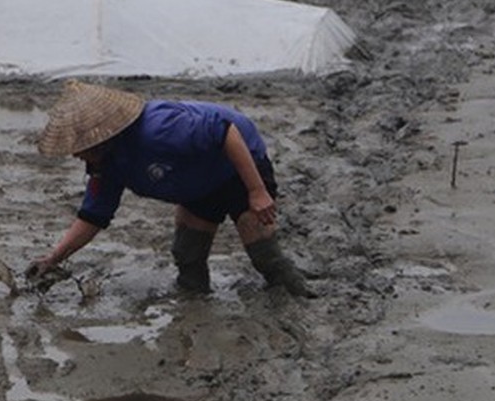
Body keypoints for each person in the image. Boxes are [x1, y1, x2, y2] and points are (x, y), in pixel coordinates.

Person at [27, 80, 315, 298]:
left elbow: (225, 130)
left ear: (99, 138)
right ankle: (195, 306)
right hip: (195, 185)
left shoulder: (158, 128)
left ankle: (297, 298)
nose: (76, 155)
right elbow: (92, 217)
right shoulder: (107, 164)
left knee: (263, 252)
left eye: (79, 149)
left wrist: (256, 190)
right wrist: (53, 259)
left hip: (236, 167)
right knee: (187, 255)